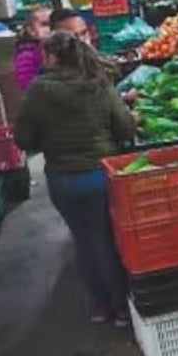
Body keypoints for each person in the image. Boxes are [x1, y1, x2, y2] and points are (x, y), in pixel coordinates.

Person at [14, 32, 135, 327]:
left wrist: (48, 139)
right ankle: (122, 308)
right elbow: (124, 127)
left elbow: (24, 139)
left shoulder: (38, 91)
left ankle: (100, 306)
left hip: (64, 180)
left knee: (83, 240)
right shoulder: (97, 81)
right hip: (100, 175)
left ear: (52, 57)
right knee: (106, 239)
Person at [14, 8, 51, 90]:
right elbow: (26, 83)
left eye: (54, 24)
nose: (51, 28)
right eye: (45, 24)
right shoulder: (26, 54)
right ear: (31, 30)